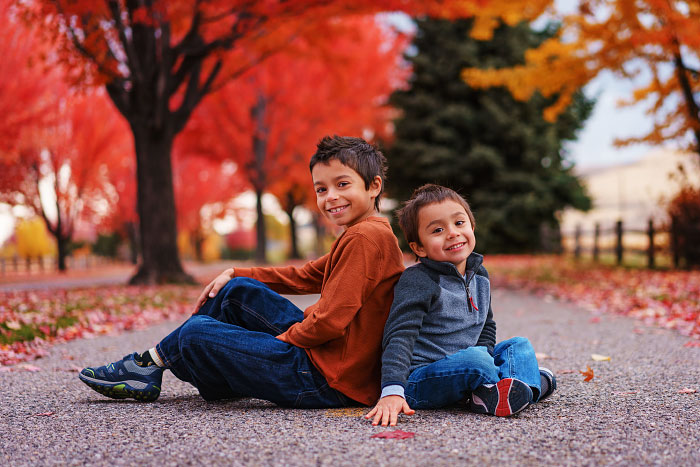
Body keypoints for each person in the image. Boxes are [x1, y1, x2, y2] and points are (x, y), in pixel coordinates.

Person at [79, 136, 405, 408]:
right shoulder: (366, 231)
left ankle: (154, 365)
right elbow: (306, 276)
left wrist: (279, 342)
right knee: (237, 292)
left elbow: (331, 322)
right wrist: (235, 272)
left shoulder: (365, 237)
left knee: (196, 333)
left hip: (327, 378)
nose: (330, 197)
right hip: (325, 358)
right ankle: (181, 369)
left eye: (342, 184)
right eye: (321, 189)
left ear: (373, 186)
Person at [365, 184, 556, 426]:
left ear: (471, 226)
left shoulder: (480, 275)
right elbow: (400, 335)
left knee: (518, 345)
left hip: (469, 363)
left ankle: (508, 391)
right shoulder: (419, 280)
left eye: (459, 223)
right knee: (477, 361)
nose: (453, 233)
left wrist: (486, 355)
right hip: (423, 379)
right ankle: (524, 383)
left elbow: (486, 325)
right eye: (437, 230)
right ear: (419, 247)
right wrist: (393, 389)